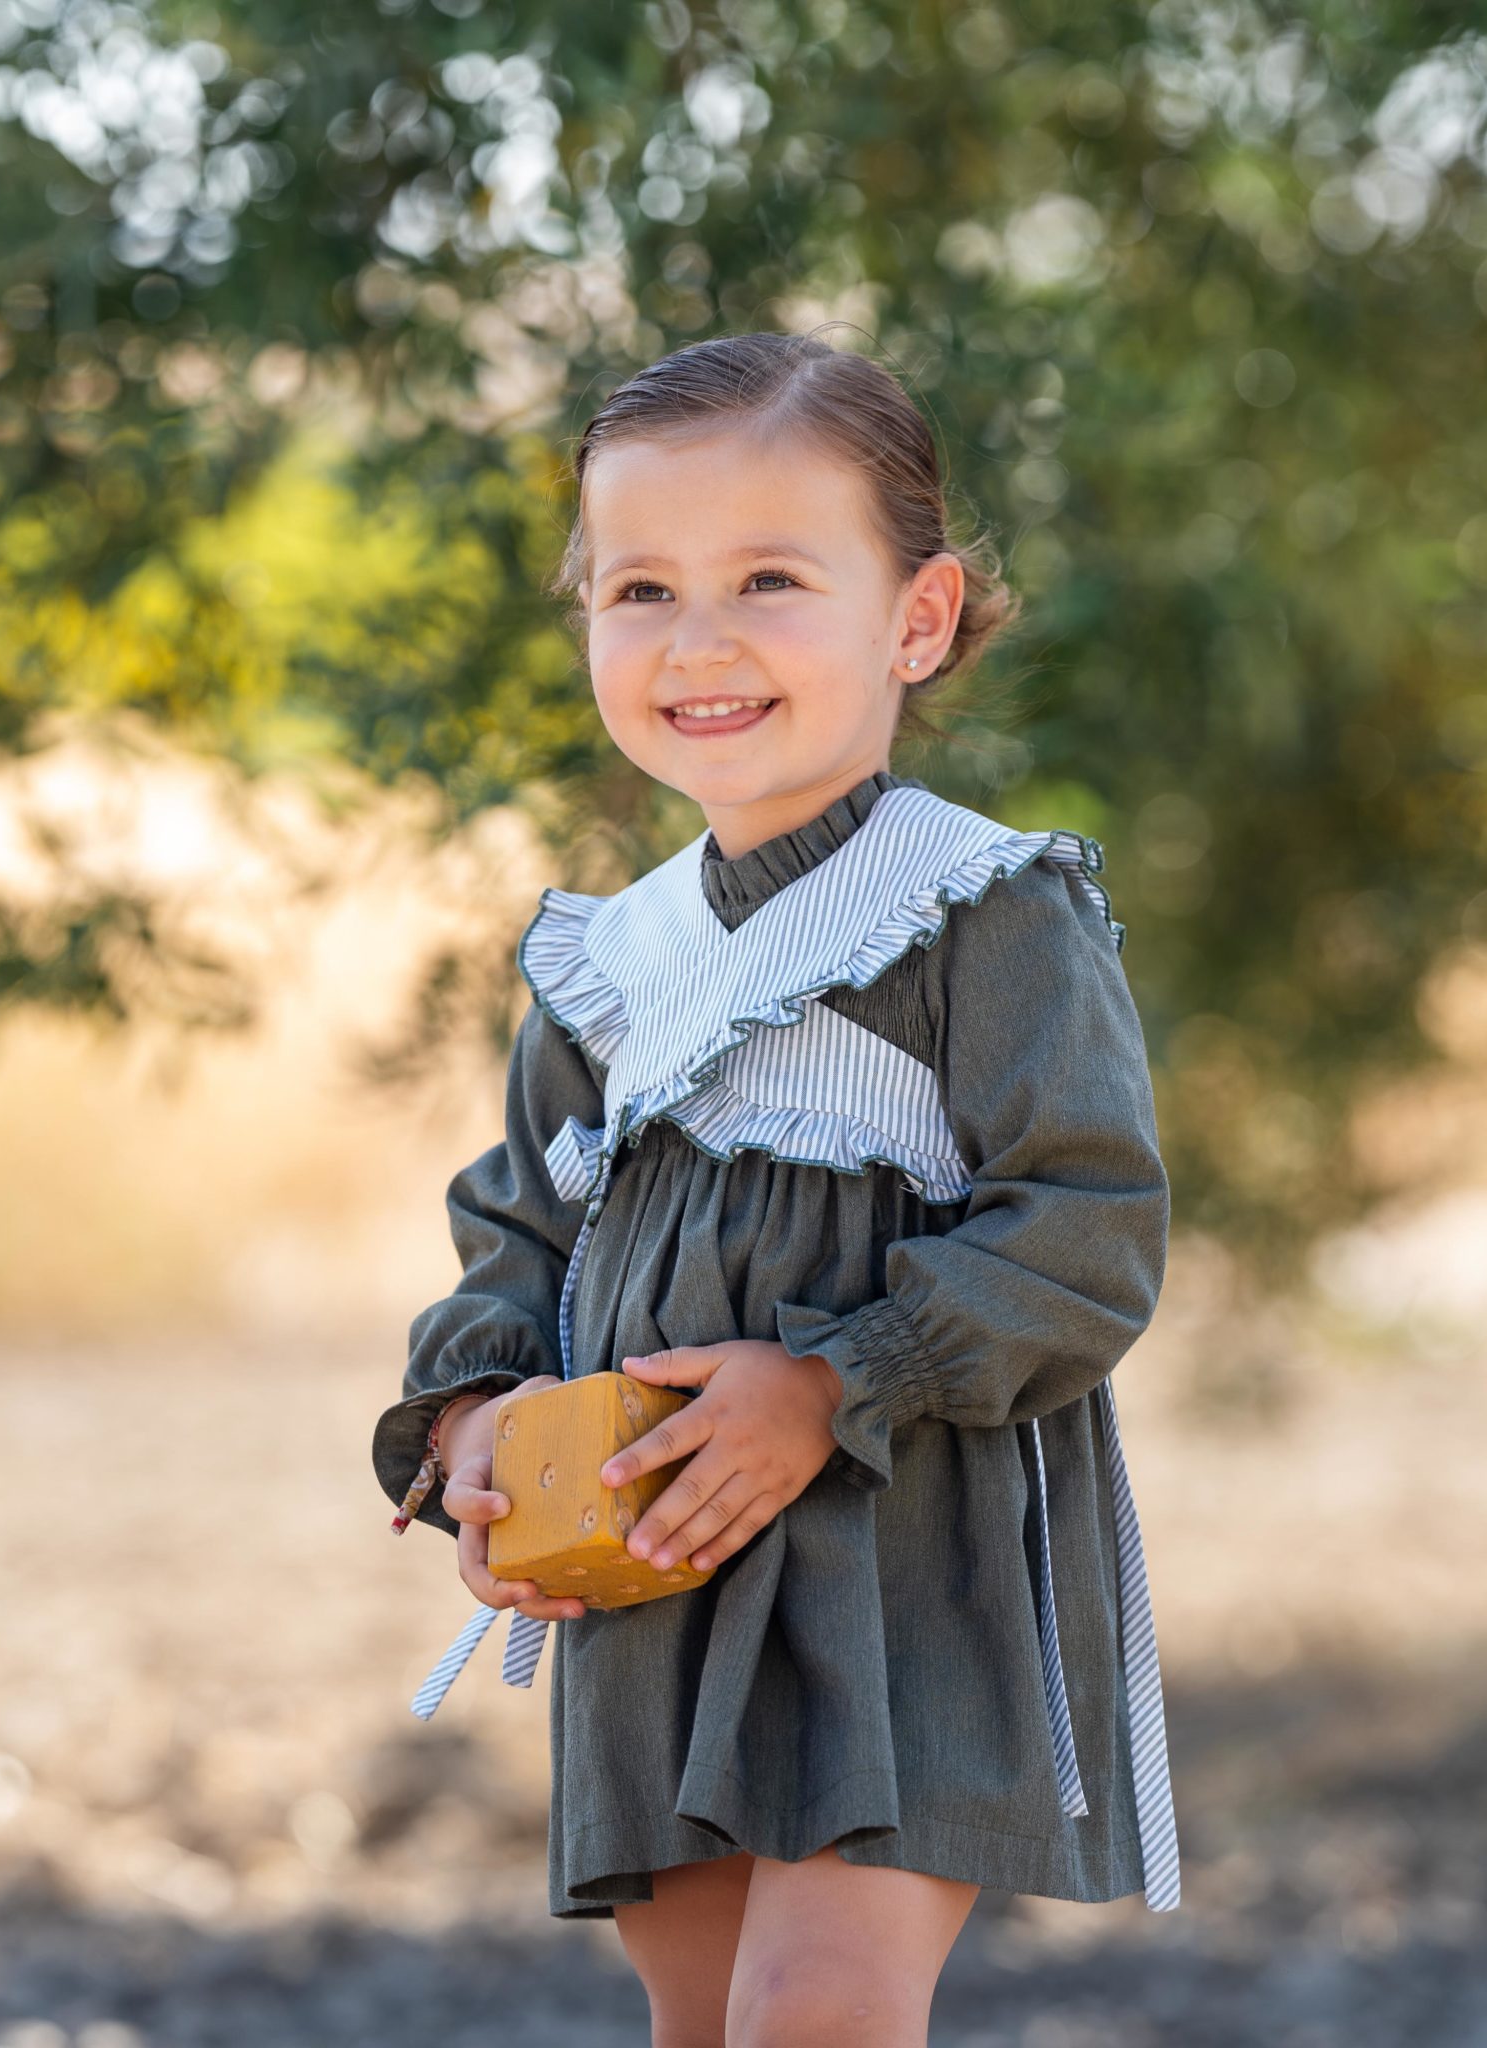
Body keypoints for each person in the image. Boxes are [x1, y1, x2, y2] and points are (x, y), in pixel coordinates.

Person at [370, 327, 1177, 2047]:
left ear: (919, 619)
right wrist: (472, 1428)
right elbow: (523, 1231)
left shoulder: (986, 913)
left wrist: (831, 1381)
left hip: (902, 1562)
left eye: (769, 579)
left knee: (817, 2015)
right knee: (704, 2021)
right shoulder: (609, 959)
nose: (699, 640)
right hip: (657, 1564)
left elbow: (1089, 1233)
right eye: (639, 589)